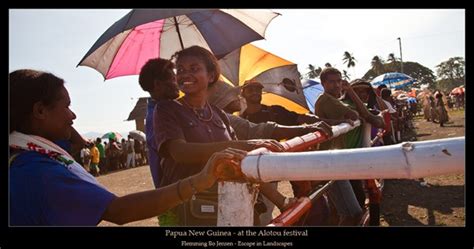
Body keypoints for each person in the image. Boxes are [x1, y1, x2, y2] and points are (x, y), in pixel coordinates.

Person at [9, 69, 248, 226]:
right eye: (67, 106)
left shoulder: (24, 153)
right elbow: (118, 211)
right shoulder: (39, 171)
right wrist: (200, 180)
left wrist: (71, 132)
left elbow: (65, 138)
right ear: (39, 111)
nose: (73, 115)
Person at [152, 46, 285, 226]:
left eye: (194, 68)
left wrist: (281, 201)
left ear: (211, 76)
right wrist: (244, 144)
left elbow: (240, 161)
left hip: (225, 205)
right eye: (180, 70)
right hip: (186, 210)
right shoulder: (166, 109)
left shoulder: (218, 114)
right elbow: (180, 152)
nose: (184, 74)